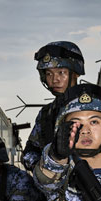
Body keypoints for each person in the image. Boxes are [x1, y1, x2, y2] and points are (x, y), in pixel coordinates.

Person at [20, 41, 84, 172]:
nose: (54, 80)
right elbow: (29, 153)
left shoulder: (95, 106)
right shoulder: (46, 113)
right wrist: (45, 168)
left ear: (76, 72)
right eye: (49, 74)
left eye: (61, 72)